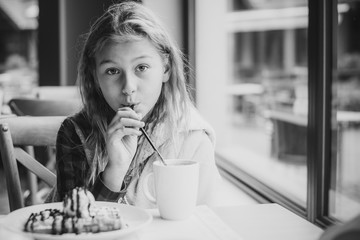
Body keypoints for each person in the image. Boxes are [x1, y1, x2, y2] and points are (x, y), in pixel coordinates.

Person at [51, 1, 221, 207]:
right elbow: (74, 226)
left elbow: (207, 218)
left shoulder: (192, 137)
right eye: (112, 71)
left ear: (166, 69)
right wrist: (115, 169)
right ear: (95, 77)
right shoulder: (75, 133)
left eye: (141, 67)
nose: (128, 87)